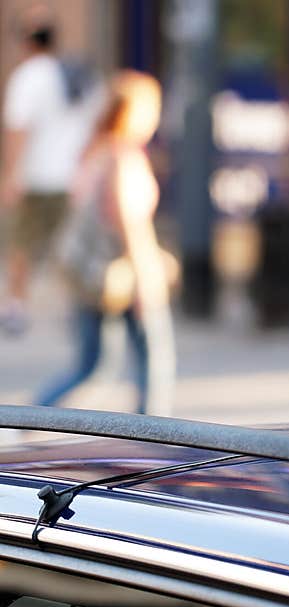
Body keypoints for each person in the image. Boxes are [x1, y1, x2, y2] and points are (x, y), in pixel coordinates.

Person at [34, 70, 174, 416]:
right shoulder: (121, 159)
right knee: (153, 362)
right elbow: (129, 224)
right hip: (120, 274)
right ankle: (154, 437)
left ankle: (33, 414)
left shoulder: (95, 152)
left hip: (92, 275)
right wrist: (146, 280)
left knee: (92, 365)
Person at [0, 9, 100, 335]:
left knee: (22, 243)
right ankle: (73, 307)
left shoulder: (28, 76)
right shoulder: (76, 73)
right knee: (66, 244)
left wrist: (11, 175)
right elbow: (95, 125)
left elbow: (18, 130)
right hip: (72, 177)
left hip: (37, 177)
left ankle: (16, 306)